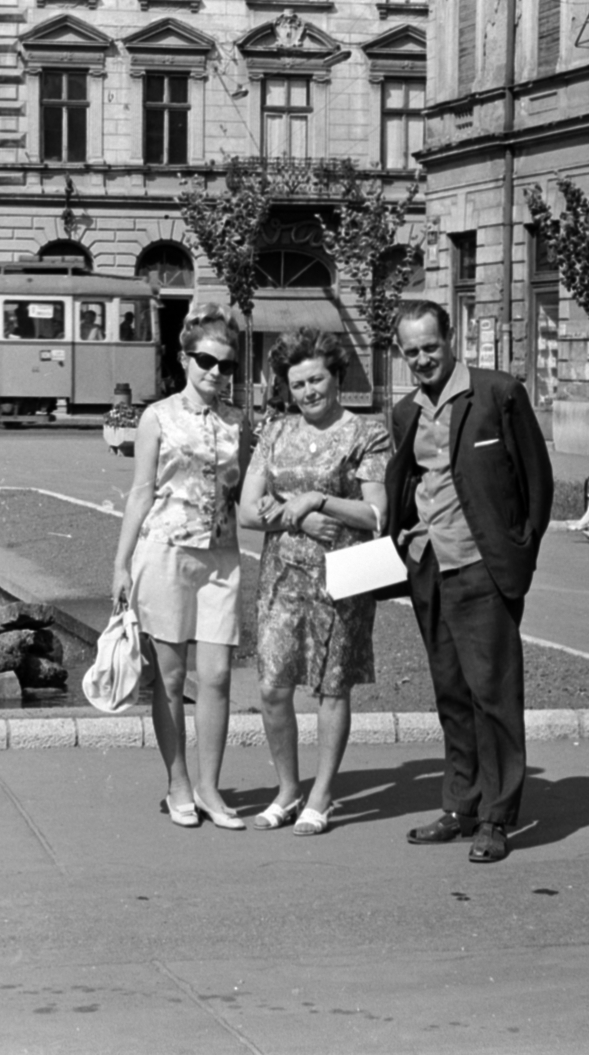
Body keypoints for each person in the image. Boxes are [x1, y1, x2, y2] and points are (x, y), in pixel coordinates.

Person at [385, 299, 553, 864]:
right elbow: (408, 480)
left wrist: (519, 553)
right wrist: (404, 536)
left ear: (450, 339)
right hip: (430, 567)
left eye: (430, 346)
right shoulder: (407, 411)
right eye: (411, 351)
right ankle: (460, 804)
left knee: (494, 696)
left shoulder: (497, 394)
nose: (422, 359)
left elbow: (537, 481)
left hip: (483, 567)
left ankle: (498, 817)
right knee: (452, 694)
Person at [239, 329, 389, 836]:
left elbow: (375, 513)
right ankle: (287, 790)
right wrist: (296, 516)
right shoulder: (275, 431)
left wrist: (317, 500)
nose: (307, 392)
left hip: (342, 577)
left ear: (336, 377)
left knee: (331, 686)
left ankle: (321, 795)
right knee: (272, 687)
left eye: (316, 379)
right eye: (297, 383)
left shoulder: (366, 432)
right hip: (281, 576)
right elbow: (246, 510)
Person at [111, 303, 251, 831]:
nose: (216, 372)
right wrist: (121, 565)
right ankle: (179, 785)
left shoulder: (238, 422)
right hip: (165, 554)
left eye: (226, 365)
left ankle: (211, 789)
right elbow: (141, 492)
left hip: (220, 559)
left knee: (215, 677)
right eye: (206, 361)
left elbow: (249, 491)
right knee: (170, 680)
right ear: (184, 359)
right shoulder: (158, 416)